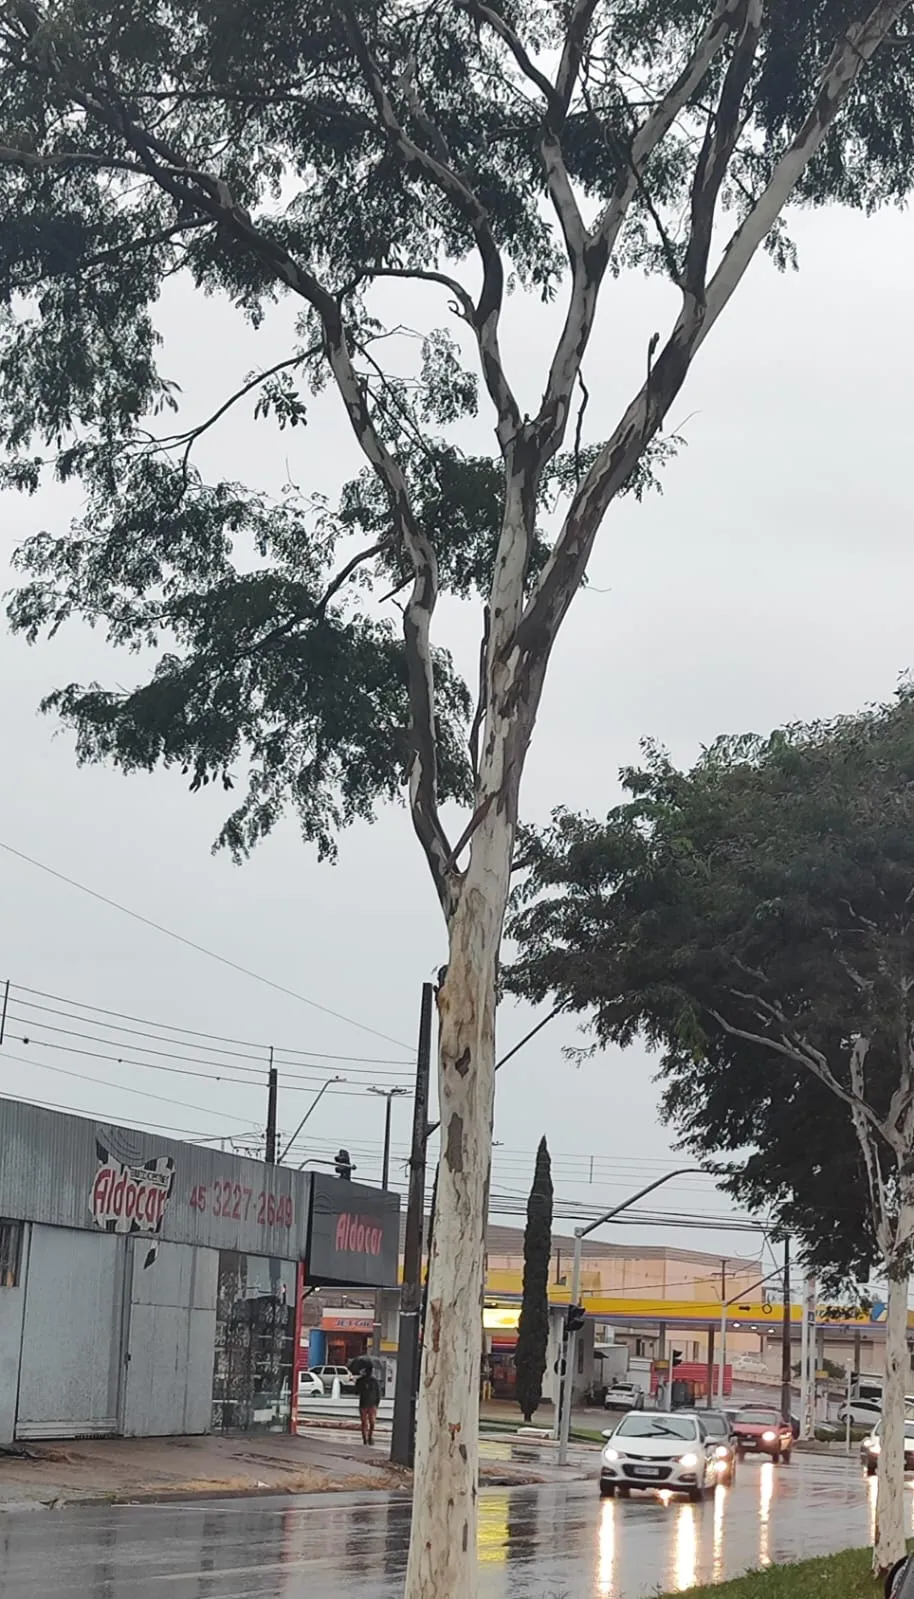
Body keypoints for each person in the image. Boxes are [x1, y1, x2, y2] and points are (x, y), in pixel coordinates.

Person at [355, 1365, 381, 1445]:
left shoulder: (374, 1381)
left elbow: (378, 1393)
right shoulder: (361, 1381)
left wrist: (377, 1403)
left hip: (368, 1404)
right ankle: (366, 1438)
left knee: (369, 1422)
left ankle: (368, 1437)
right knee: (367, 1422)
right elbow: (356, 1391)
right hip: (367, 1404)